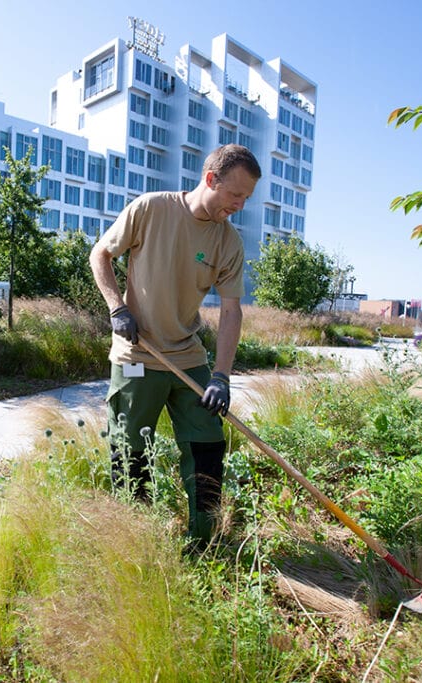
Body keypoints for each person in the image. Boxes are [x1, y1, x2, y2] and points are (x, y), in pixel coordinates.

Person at [89, 144, 261, 542]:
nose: (239, 204)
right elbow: (101, 254)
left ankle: (205, 540)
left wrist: (220, 377)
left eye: (246, 198)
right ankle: (137, 539)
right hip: (137, 354)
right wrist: (117, 308)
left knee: (208, 449)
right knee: (131, 455)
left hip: (188, 359)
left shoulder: (228, 241)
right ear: (210, 179)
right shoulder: (151, 209)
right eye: (235, 194)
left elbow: (231, 312)